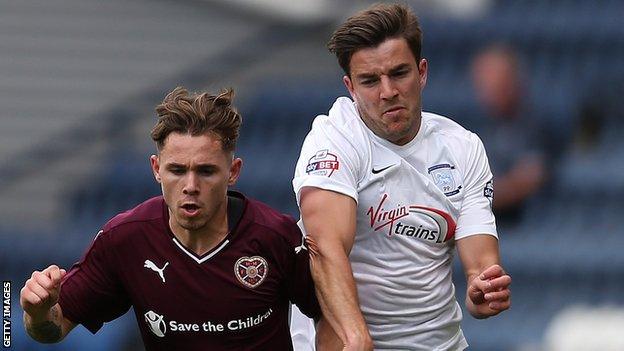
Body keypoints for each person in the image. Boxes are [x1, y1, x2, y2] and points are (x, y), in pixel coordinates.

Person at [19, 87, 320, 350]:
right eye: (177, 170)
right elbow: (53, 329)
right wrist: (38, 313)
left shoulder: (276, 237)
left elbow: (330, 316)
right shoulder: (125, 240)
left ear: (233, 172)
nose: (190, 186)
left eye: (206, 171)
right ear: (156, 169)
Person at [290, 4, 511, 350]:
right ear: (350, 86)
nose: (387, 91)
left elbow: (480, 268)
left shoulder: (463, 148)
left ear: (421, 72)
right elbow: (324, 249)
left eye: (398, 73)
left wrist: (482, 291)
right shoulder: (333, 142)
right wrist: (356, 336)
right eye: (369, 81)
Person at [470, 44, 550, 225]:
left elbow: (531, 178)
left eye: (496, 82)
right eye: (483, 84)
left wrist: (478, 196)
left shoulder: (534, 124)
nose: (489, 91)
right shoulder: (485, 126)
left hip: (527, 223)